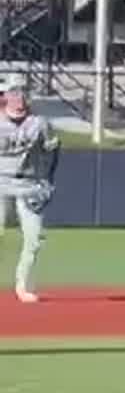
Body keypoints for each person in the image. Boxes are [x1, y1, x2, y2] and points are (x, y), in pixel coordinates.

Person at [0, 75, 58, 303]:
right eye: (14, 91)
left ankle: (22, 286)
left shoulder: (40, 123)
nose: (19, 96)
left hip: (29, 184)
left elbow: (53, 150)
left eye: (23, 91)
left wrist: (49, 181)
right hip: (1, 182)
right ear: (4, 95)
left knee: (34, 239)